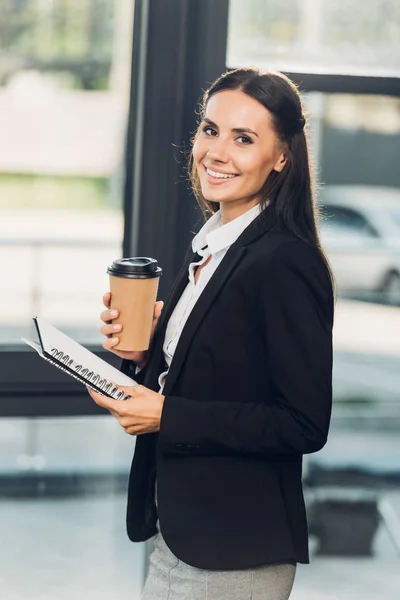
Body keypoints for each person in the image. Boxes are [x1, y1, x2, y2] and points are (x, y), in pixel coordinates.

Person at [87, 67, 334, 600]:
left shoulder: (285, 261)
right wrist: (142, 355)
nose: (216, 152)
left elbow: (303, 423)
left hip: (234, 552)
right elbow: (212, 375)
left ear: (282, 155)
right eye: (210, 130)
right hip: (181, 536)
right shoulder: (213, 247)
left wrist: (165, 414)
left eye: (243, 139)